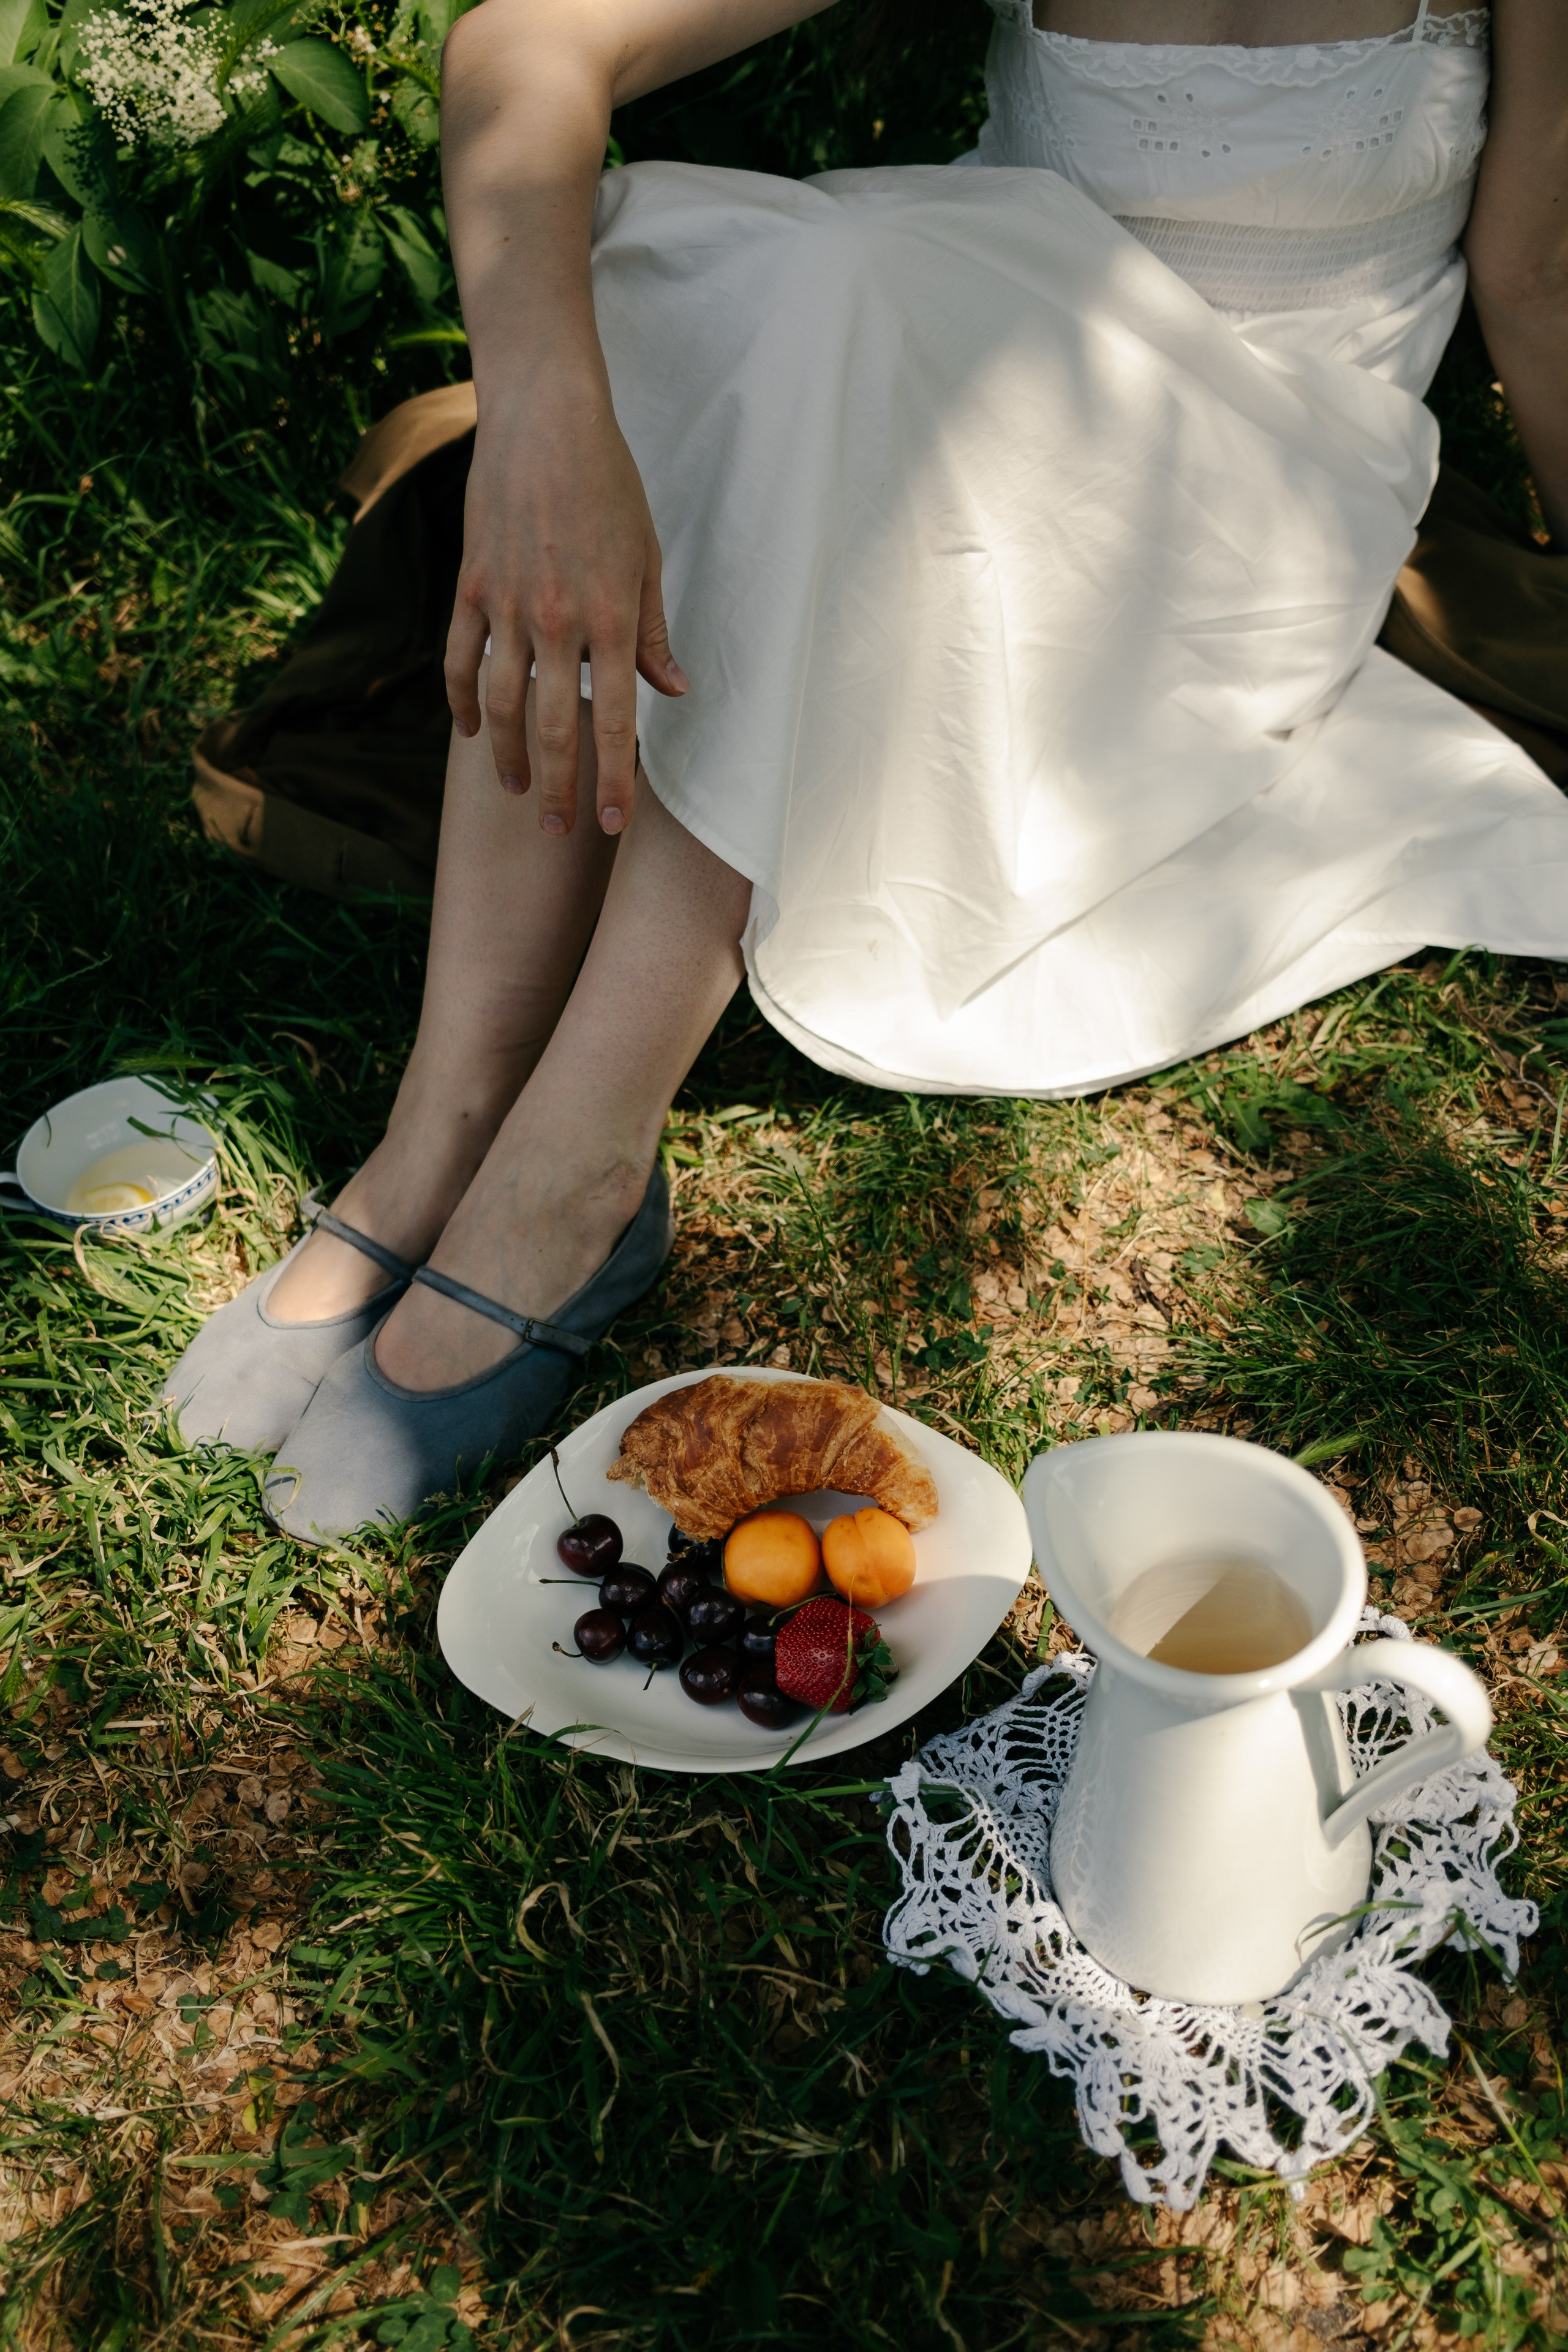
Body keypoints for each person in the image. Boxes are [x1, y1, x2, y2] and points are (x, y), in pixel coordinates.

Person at [165, 0, 1568, 1544]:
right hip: (954, 400)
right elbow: (527, 45)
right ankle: (443, 1121)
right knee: (781, 283)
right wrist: (543, 427)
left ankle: (572, 1174)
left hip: (1251, 513)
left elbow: (1535, 272)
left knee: (856, 309)